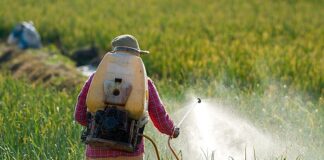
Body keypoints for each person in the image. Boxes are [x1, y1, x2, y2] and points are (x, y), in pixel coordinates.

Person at [74, 34, 179, 160]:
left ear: (113, 55)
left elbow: (79, 116)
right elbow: (159, 116)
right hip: (130, 152)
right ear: (137, 56)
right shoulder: (145, 83)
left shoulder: (95, 79)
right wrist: (172, 130)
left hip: (97, 153)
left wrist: (100, 125)